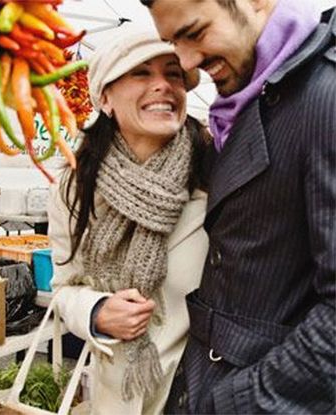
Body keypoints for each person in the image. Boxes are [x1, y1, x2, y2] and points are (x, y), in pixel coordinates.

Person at [139, 0, 336, 413]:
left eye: (194, 33)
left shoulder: (324, 96)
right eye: (173, 41)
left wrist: (236, 401)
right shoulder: (248, 100)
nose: (187, 62)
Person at [48, 29, 211, 414]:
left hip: (199, 394)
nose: (163, 86)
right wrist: (96, 310)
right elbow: (63, 287)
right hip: (114, 395)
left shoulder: (214, 173)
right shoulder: (76, 185)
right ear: (105, 97)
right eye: (141, 73)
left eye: (173, 74)